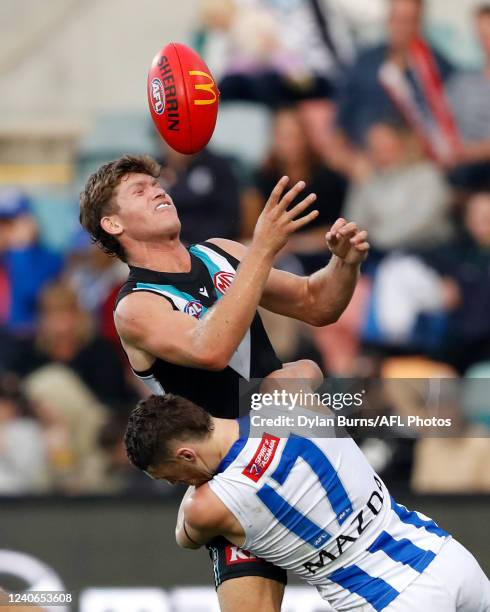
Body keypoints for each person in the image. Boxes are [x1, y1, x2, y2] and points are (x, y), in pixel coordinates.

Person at [79, 154, 369, 611]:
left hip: (293, 451)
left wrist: (344, 264)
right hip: (235, 482)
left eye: (157, 184)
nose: (159, 190)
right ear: (112, 224)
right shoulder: (136, 307)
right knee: (296, 379)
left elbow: (318, 303)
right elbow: (209, 348)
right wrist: (262, 251)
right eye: (139, 190)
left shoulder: (219, 253)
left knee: (299, 379)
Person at [124, 361, 490, 612]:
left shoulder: (208, 505)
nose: (176, 483)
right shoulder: (286, 398)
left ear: (186, 455)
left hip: (388, 599)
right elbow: (309, 369)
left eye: (169, 476)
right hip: (447, 558)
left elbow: (184, 536)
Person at [445, 3, 490, 190]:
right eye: (482, 35)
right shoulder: (461, 82)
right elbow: (445, 126)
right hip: (458, 168)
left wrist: (469, 152)